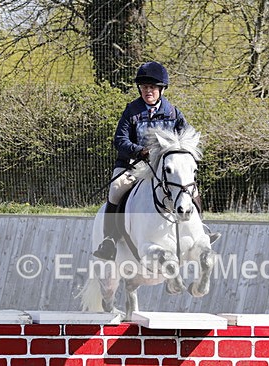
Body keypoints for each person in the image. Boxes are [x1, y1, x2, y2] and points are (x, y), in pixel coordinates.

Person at [93, 61, 219, 261]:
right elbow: (120, 139)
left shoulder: (173, 113)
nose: (148, 91)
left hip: (163, 168)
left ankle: (200, 229)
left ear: (161, 89)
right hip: (133, 165)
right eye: (144, 87)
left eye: (152, 87)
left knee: (190, 190)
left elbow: (185, 138)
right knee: (116, 189)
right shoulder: (131, 111)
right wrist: (138, 150)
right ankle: (109, 240)